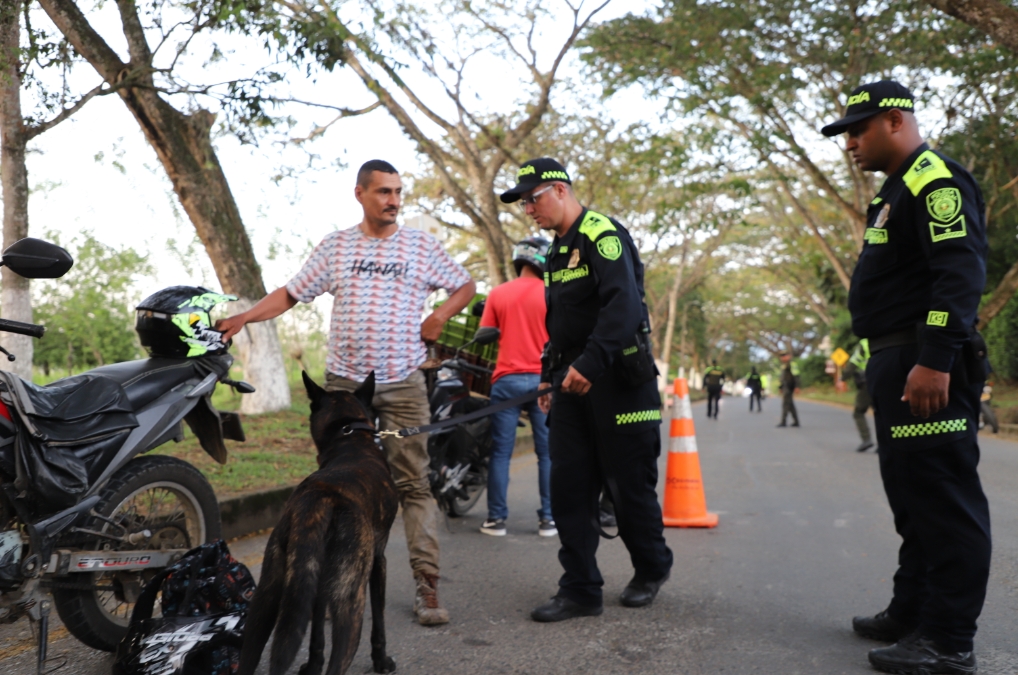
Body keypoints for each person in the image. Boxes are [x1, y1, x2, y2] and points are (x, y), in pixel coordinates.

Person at [216, 160, 476, 626]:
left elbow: (465, 284)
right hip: (344, 389)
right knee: (336, 483)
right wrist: (244, 317)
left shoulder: (420, 245)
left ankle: (427, 584)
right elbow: (291, 293)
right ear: (360, 193)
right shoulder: (336, 246)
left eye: (398, 192)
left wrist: (439, 317)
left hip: (401, 382)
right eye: (383, 192)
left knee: (413, 484)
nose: (394, 200)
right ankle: (337, 576)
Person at [822, 80, 991, 673]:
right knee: (912, 498)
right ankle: (913, 611)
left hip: (924, 359)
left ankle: (948, 640)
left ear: (894, 120)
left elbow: (959, 270)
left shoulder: (932, 179)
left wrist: (937, 355)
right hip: (898, 357)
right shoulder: (897, 188)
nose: (850, 144)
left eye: (858, 130)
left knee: (943, 500)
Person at [499, 157, 673, 623]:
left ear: (558, 190)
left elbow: (625, 307)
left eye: (532, 199)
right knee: (569, 487)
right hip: (571, 385)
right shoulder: (556, 253)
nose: (528, 210)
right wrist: (545, 375)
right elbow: (561, 326)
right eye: (523, 204)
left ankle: (651, 569)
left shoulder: (602, 234)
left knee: (628, 487)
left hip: (620, 383)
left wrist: (591, 362)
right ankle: (580, 589)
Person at [477, 236, 556, 538]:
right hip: (543, 382)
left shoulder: (498, 294)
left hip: (506, 381)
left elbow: (485, 332)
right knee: (547, 454)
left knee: (500, 453)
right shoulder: (552, 294)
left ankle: (496, 520)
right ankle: (548, 519)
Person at [846, 339, 874, 452]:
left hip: (867, 382)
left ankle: (866, 439)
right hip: (884, 379)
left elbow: (854, 362)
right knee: (881, 412)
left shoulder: (865, 343)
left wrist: (843, 377)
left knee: (858, 412)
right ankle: (885, 442)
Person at [776, 353, 800, 427]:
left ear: (789, 356)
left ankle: (783, 422)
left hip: (790, 387)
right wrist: (780, 387)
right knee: (790, 405)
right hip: (785, 386)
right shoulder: (784, 365)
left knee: (785, 404)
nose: (783, 358)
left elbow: (796, 376)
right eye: (782, 356)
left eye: (784, 356)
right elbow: (782, 378)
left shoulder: (792, 364)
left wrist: (797, 386)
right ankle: (796, 421)